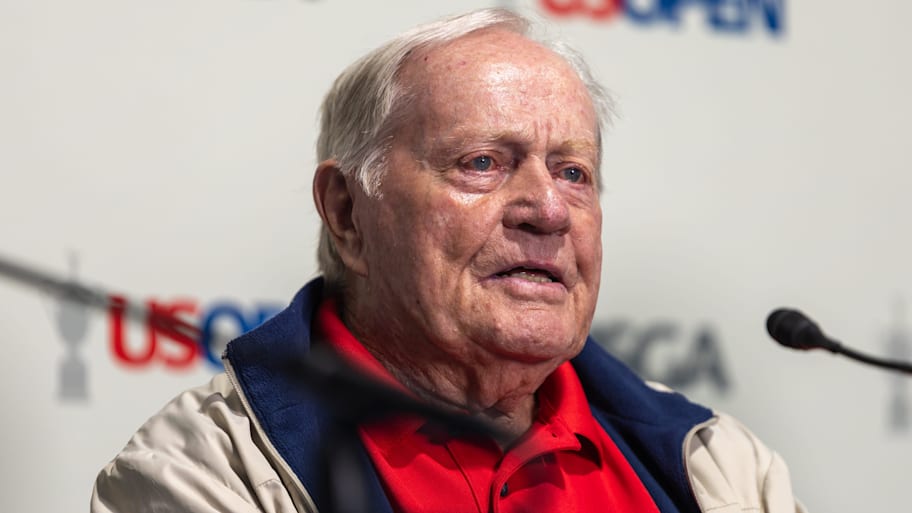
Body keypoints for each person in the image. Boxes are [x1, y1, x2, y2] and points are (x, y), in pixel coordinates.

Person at [91, 8, 806, 513]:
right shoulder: (203, 473)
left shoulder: (725, 472)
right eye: (484, 162)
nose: (548, 209)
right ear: (347, 213)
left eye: (574, 172)